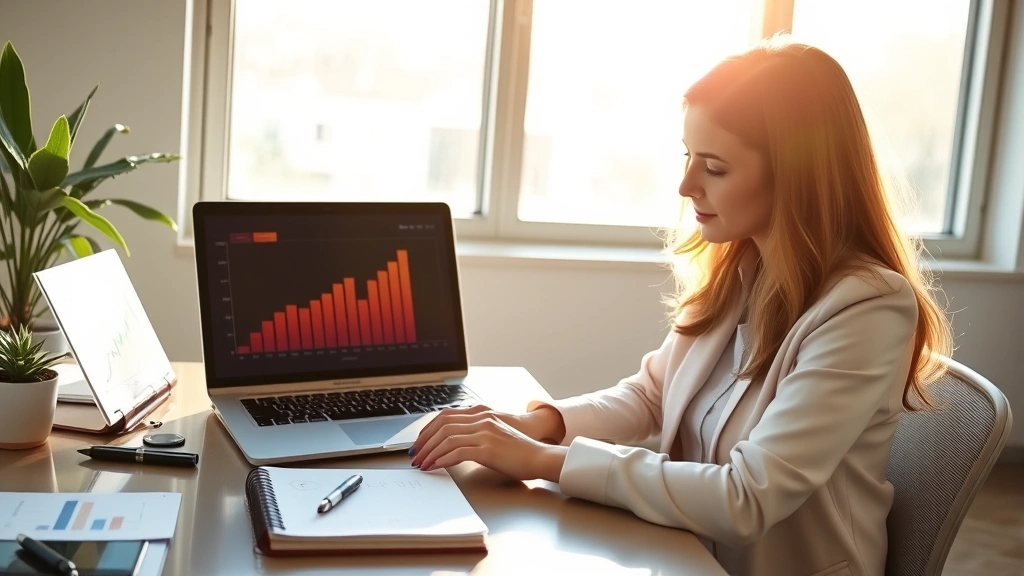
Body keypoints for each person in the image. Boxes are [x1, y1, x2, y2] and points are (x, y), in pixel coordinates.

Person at [410, 35, 953, 576]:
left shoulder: (868, 308)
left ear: (797, 175)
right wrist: (539, 426)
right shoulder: (743, 268)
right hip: (687, 553)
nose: (686, 184)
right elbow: (651, 395)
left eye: (714, 167)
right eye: (689, 156)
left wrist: (544, 462)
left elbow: (748, 497)